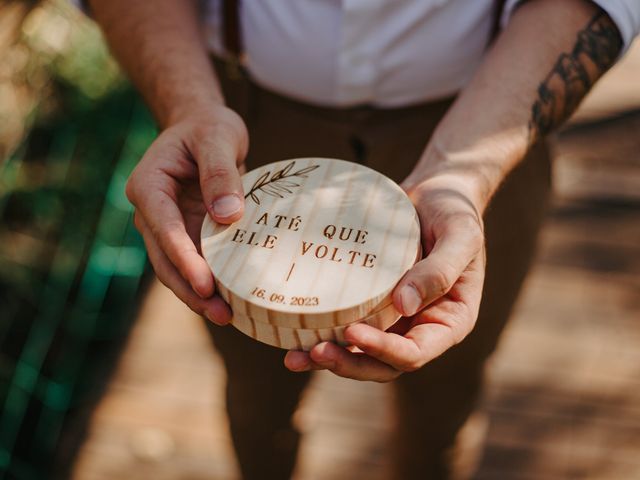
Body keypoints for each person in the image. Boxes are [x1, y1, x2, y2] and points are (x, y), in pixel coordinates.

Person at [80, 0, 638, 478]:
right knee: (254, 387)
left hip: (487, 117)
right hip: (239, 130)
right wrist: (188, 106)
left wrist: (463, 173)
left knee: (445, 393)